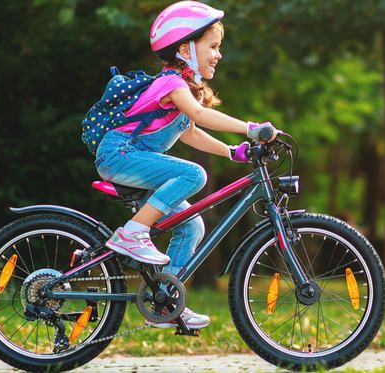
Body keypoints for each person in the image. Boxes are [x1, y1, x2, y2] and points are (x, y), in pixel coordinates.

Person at [93, 0, 275, 329]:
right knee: (193, 173)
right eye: (213, 46)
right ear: (185, 47)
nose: (218, 54)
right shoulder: (171, 83)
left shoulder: (184, 88)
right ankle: (133, 232)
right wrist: (249, 127)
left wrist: (233, 152)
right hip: (119, 154)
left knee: (192, 224)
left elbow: (191, 132)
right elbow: (201, 116)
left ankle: (166, 302)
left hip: (135, 159)